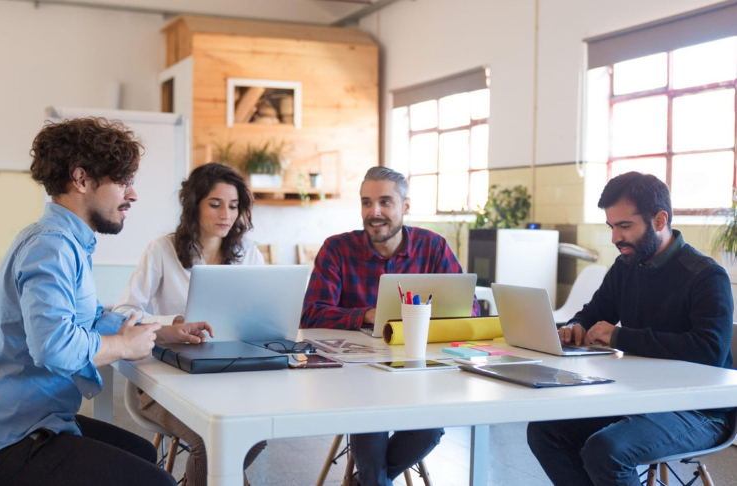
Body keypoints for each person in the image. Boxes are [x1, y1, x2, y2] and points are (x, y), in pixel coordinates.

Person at [0, 118, 209, 486]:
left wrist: (161, 333)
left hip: (35, 418)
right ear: (81, 180)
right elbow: (54, 347)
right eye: (123, 181)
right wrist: (123, 345)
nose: (133, 194)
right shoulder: (52, 245)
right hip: (7, 440)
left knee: (142, 453)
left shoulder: (64, 239)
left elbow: (90, 319)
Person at [527, 171, 734, 486]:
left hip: (700, 410)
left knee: (606, 450)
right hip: (637, 396)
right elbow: (594, 312)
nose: (615, 238)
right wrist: (576, 326)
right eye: (611, 226)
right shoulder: (626, 265)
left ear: (660, 220)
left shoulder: (706, 277)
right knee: (545, 431)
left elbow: (707, 352)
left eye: (625, 226)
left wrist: (619, 337)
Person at [301, 166, 479, 486]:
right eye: (366, 203)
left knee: (429, 429)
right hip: (356, 377)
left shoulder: (433, 247)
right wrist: (368, 315)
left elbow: (470, 311)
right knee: (370, 418)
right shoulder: (337, 249)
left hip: (417, 373)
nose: (375, 212)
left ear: (405, 207)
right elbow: (311, 314)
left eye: (385, 202)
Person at [113, 162, 265, 486]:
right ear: (193, 204)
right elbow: (125, 311)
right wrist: (173, 323)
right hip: (166, 378)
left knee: (260, 429)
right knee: (208, 442)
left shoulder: (248, 253)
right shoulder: (162, 250)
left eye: (234, 206)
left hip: (231, 377)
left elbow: (262, 315)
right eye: (215, 204)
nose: (226, 214)